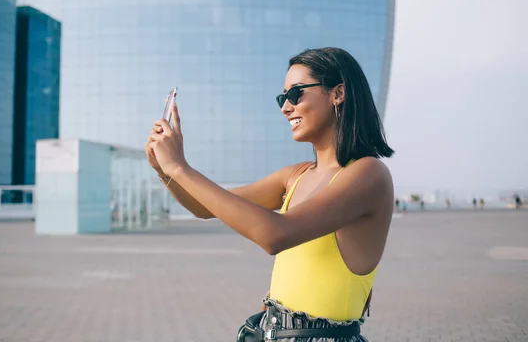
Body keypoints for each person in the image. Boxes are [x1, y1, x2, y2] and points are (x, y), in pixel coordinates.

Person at [145, 47, 395, 341]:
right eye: (282, 98)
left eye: (295, 94)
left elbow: (275, 234)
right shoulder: (295, 176)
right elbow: (205, 208)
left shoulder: (369, 175)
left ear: (338, 93)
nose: (285, 108)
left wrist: (180, 168)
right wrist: (165, 170)